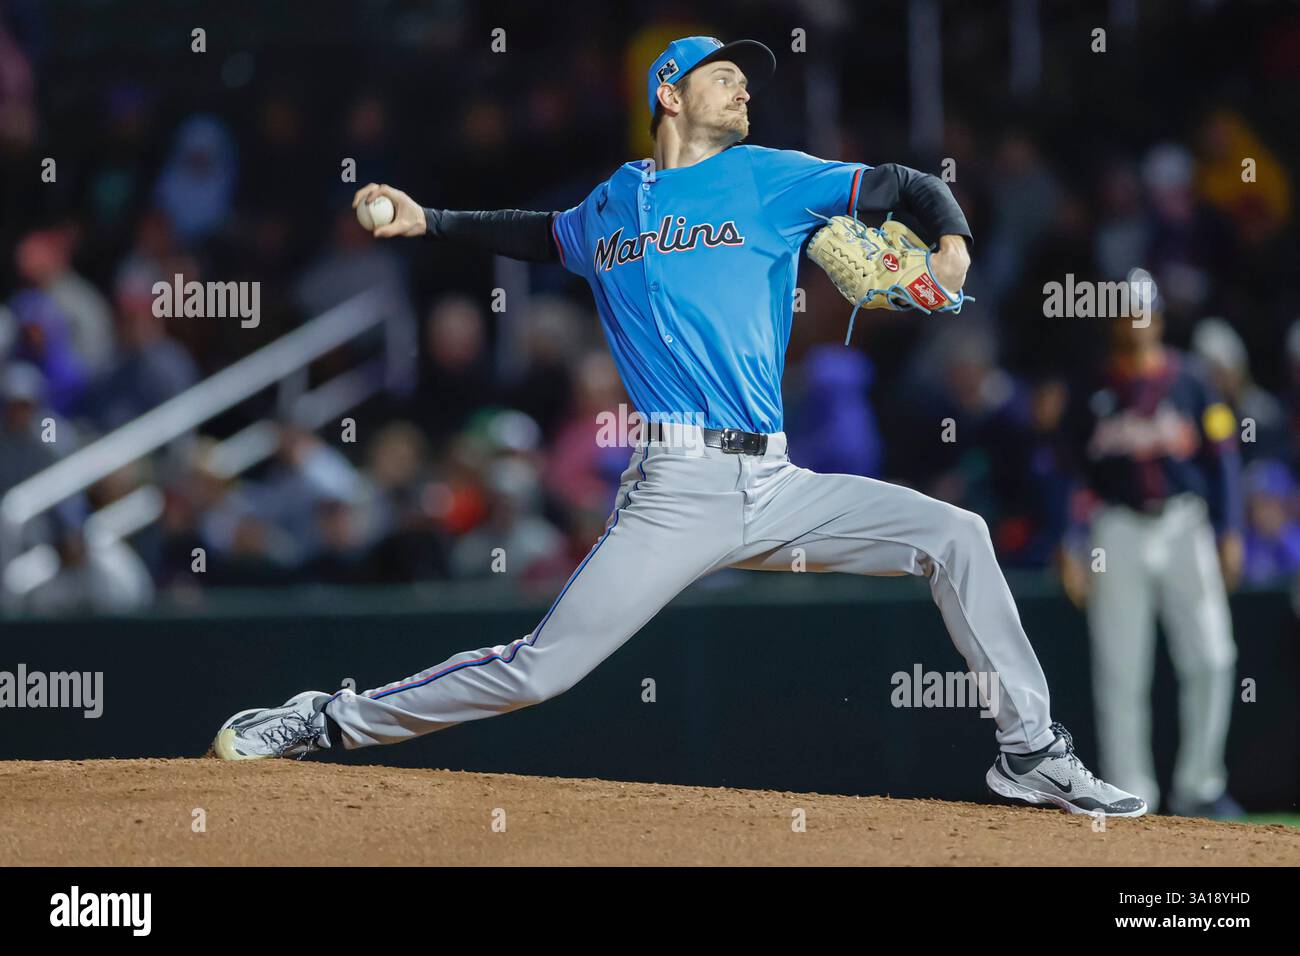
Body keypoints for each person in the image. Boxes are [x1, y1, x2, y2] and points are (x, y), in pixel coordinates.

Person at [213, 37, 1146, 817]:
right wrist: (431, 221)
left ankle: (1030, 753)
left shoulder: (771, 180)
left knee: (959, 535)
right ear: (669, 90)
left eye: (747, 75)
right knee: (541, 671)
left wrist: (949, 243)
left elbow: (904, 183)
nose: (744, 84)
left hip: (780, 485)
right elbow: (544, 234)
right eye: (723, 72)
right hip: (675, 491)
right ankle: (327, 718)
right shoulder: (612, 203)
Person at [1058, 306, 1243, 819]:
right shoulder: (1093, 386)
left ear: (1159, 319)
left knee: (1211, 657)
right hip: (1115, 530)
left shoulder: (1191, 380)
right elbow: (1069, 469)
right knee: (1121, 667)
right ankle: (1129, 788)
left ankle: (1200, 787)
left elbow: (1222, 456)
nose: (1134, 322)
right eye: (1125, 313)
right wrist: (1070, 541)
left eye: (1142, 312)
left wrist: (1230, 529)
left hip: (1186, 524)